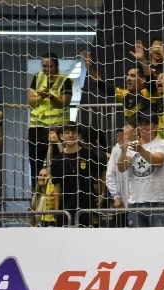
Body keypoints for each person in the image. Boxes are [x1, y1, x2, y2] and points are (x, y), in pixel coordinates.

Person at [116, 113, 164, 227]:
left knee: (160, 242)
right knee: (137, 244)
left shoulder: (163, 144)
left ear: (156, 126)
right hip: (135, 203)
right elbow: (122, 168)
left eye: (147, 124)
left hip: (158, 202)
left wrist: (141, 150)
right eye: (140, 124)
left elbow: (159, 162)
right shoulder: (132, 146)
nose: (143, 127)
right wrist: (123, 150)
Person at [28, 52, 72, 189]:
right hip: (37, 127)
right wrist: (41, 97)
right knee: (35, 163)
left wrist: (51, 96)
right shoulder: (37, 78)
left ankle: (60, 192)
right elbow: (31, 101)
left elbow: (65, 102)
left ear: (56, 66)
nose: (47, 69)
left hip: (58, 128)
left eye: (50, 66)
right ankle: (37, 195)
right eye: (44, 66)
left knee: (58, 162)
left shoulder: (65, 80)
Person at [49, 122, 106, 227]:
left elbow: (102, 171)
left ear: (79, 136)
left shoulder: (89, 155)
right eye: (67, 132)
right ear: (61, 136)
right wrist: (57, 211)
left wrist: (102, 194)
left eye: (74, 132)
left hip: (87, 207)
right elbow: (56, 187)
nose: (71, 135)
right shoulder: (57, 160)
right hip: (66, 208)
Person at [105, 127, 131, 228]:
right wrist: (116, 196)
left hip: (141, 204)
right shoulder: (116, 148)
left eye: (125, 132)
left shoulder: (144, 146)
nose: (120, 135)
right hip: (122, 204)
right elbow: (110, 175)